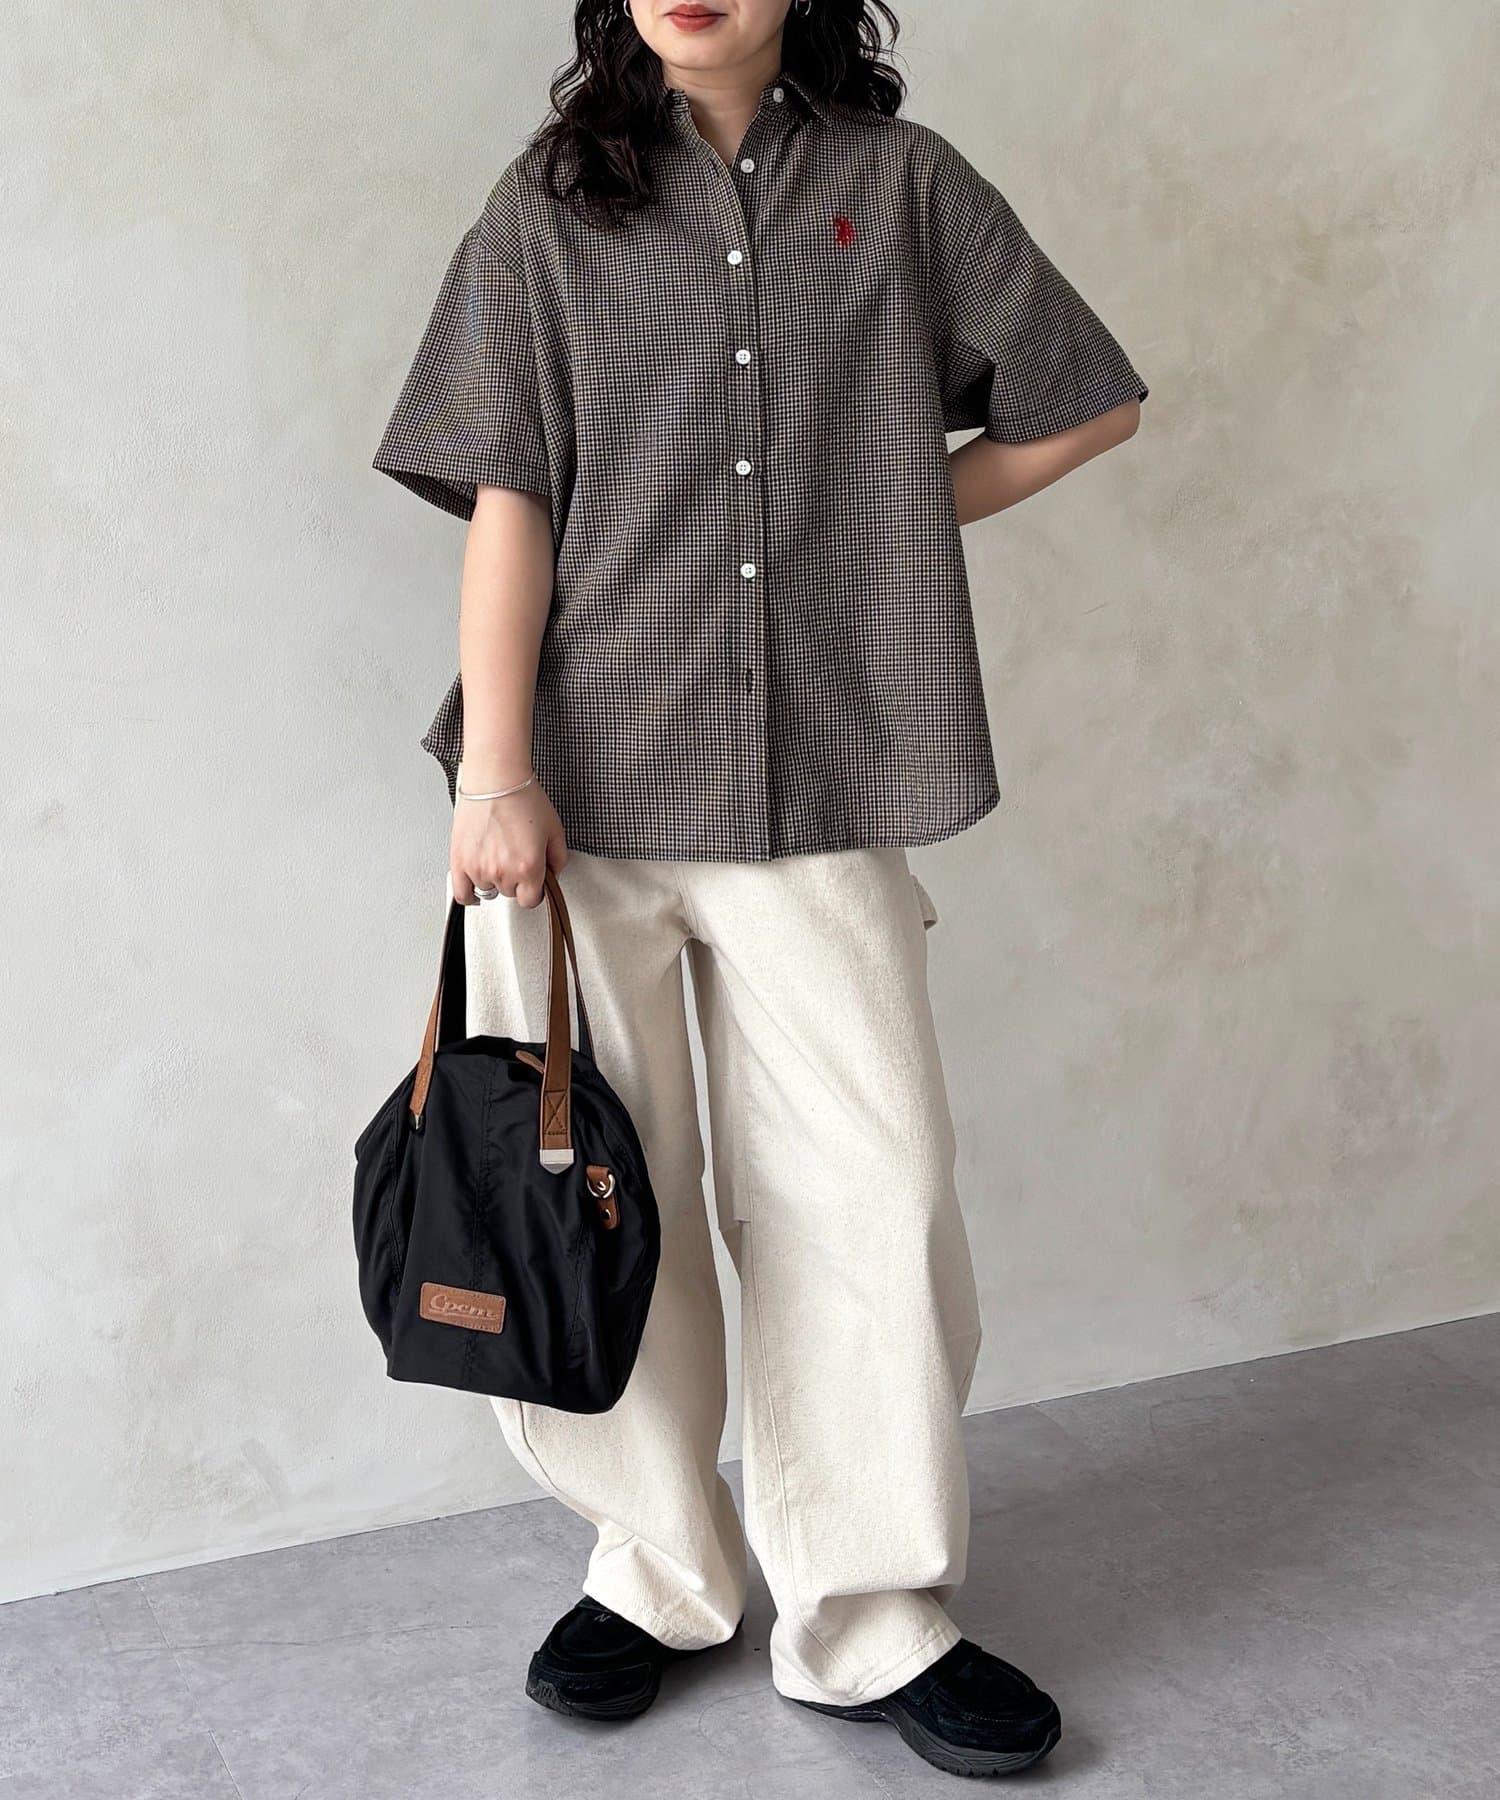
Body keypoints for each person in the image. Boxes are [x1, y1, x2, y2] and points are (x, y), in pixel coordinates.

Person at [373, 0, 1145, 1779]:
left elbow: (1087, 404)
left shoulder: (906, 186)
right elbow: (511, 501)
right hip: (581, 790)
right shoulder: (547, 207)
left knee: (873, 1196)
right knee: (593, 1194)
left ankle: (869, 1615)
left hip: (828, 774)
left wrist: (882, 511)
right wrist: (496, 772)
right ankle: (654, 1573)